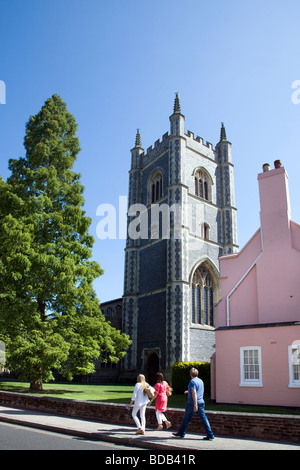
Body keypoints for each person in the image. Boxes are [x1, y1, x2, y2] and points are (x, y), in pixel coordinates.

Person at [172, 367, 214, 440]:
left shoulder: (192, 381)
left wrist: (195, 404)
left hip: (192, 403)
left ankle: (181, 432)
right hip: (201, 402)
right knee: (204, 419)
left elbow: (194, 393)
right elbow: (199, 391)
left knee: (186, 418)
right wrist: (188, 391)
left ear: (190, 374)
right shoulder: (200, 381)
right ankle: (210, 434)